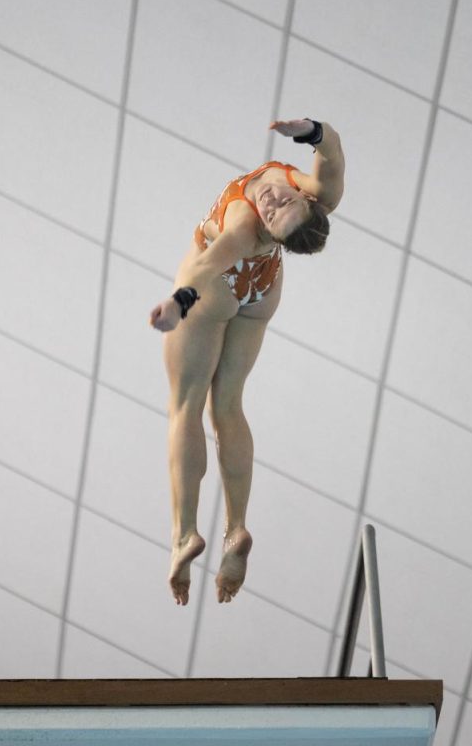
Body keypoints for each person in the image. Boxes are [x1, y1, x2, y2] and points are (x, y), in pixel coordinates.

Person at [149, 118, 345, 606]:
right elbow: (334, 160)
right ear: (309, 200)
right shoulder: (312, 190)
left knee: (186, 406)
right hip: (262, 289)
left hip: (215, 286)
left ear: (272, 233)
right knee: (229, 406)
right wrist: (314, 132)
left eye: (275, 218)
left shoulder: (243, 222)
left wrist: (178, 302)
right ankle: (235, 529)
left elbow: (207, 263)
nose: (272, 204)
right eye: (282, 203)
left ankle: (185, 534)